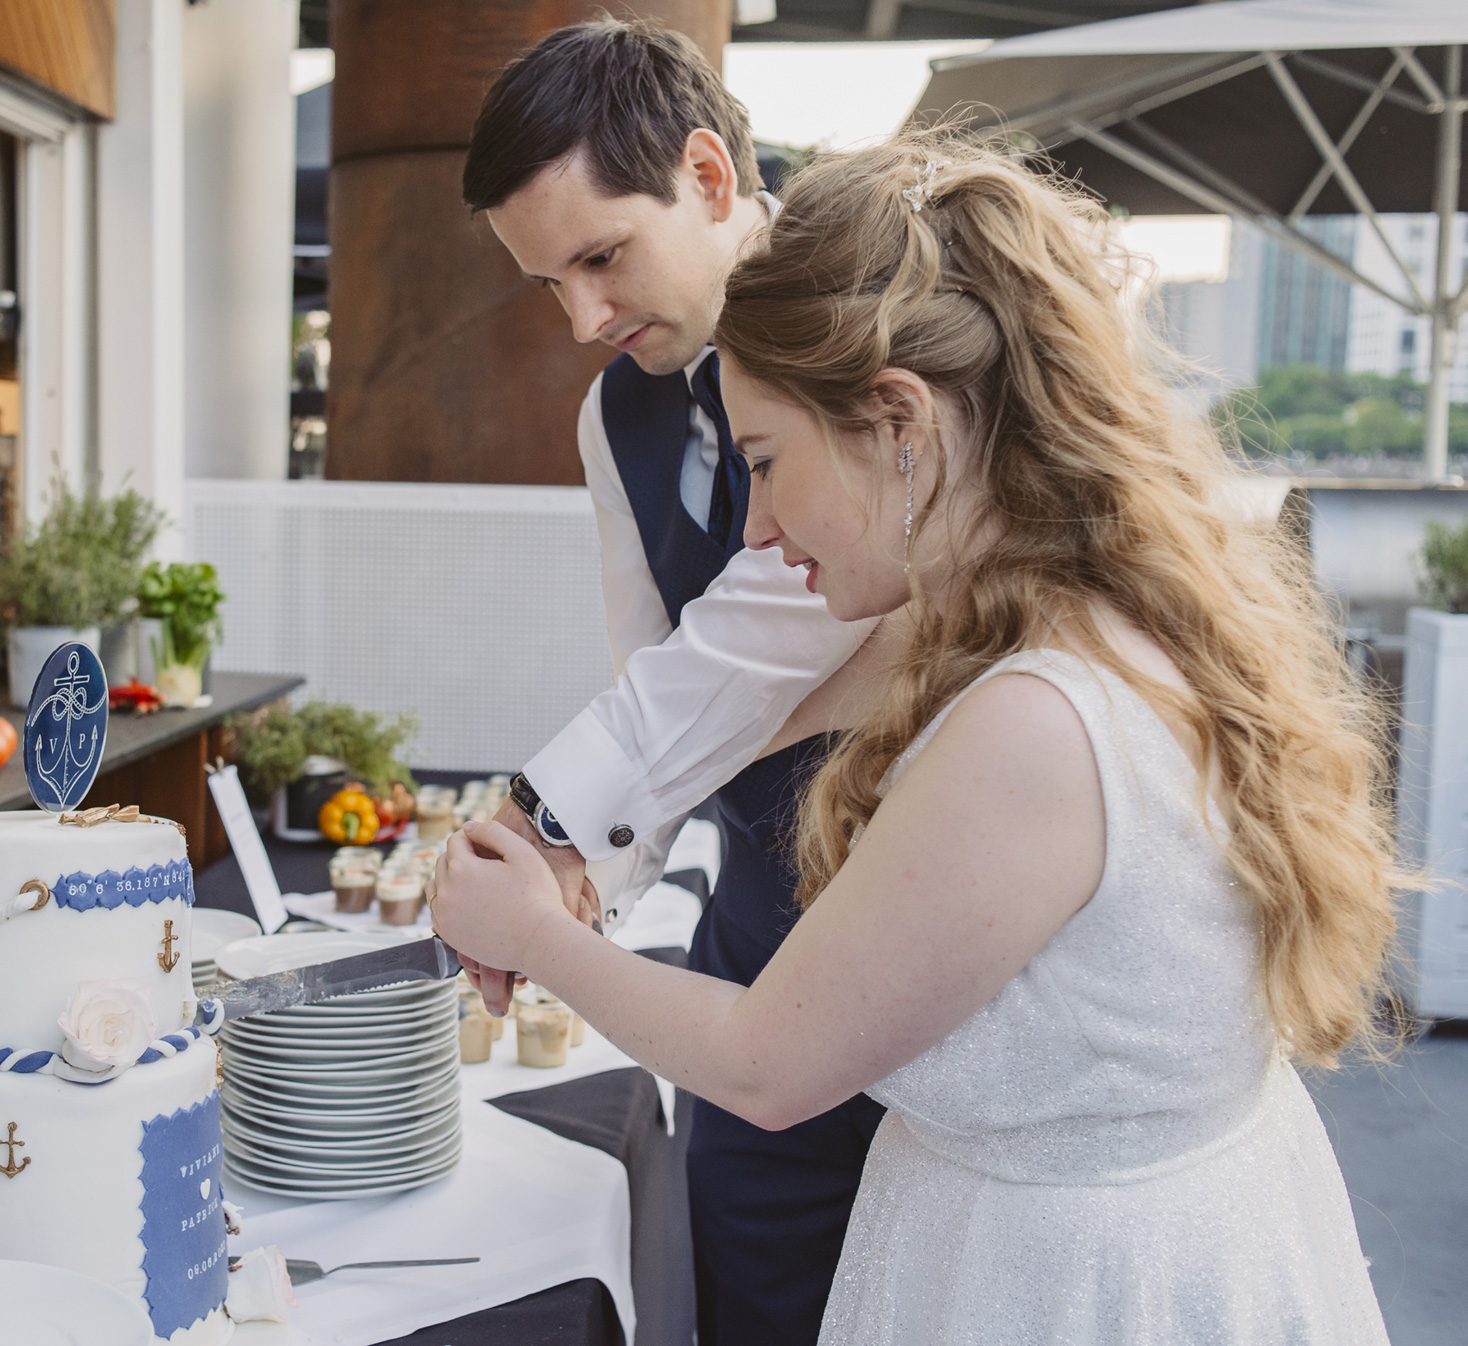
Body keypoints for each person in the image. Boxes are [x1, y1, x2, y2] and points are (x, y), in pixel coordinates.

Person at [431, 128, 1397, 1343]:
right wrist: (561, 834)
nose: (763, 531)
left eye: (770, 464)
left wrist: (531, 930)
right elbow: (735, 703)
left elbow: (766, 1064)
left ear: (900, 421)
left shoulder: (1034, 722)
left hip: (1067, 1285)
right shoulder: (1063, 613)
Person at [458, 20, 893, 1342]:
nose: (585, 318)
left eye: (601, 257)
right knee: (742, 1280)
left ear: (709, 177)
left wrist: (541, 821)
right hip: (755, 933)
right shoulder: (618, 412)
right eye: (551, 285)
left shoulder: (865, 306)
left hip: (926, 924)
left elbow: (767, 630)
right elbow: (653, 660)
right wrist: (591, 884)